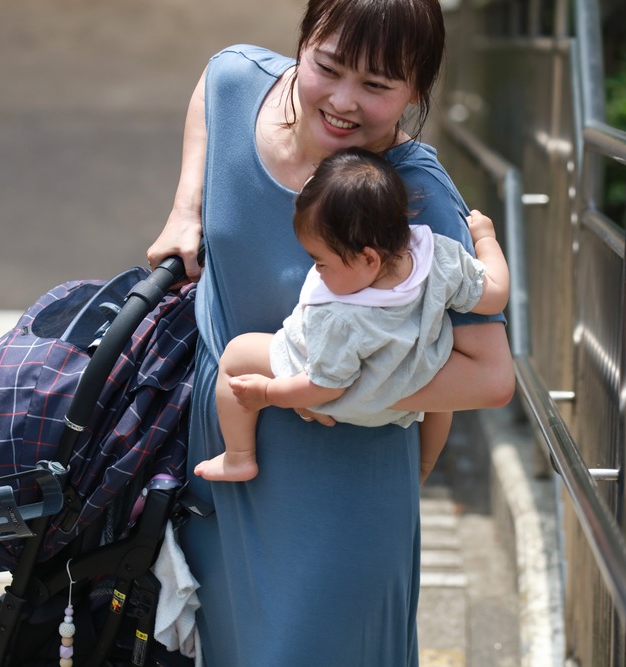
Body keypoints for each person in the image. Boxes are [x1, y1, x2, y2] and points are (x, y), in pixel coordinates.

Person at [146, 0, 515, 664]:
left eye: (376, 84)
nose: (344, 101)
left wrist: (337, 386)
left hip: (343, 483)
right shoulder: (242, 86)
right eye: (329, 66)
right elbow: (215, 82)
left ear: (416, 92)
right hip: (220, 461)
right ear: (303, 44)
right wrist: (186, 207)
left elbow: (491, 377)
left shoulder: (415, 194)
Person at [194, 146, 510, 485]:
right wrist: (485, 239)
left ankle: (238, 457)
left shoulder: (339, 316)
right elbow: (495, 295)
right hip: (418, 379)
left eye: (321, 261)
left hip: (355, 400)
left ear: (369, 259)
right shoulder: (440, 257)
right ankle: (422, 468)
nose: (317, 269)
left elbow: (325, 387)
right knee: (442, 407)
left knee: (237, 354)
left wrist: (269, 392)